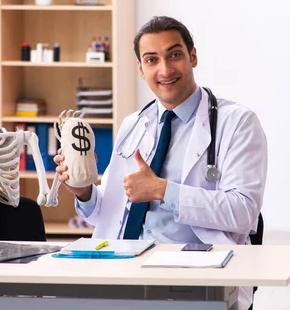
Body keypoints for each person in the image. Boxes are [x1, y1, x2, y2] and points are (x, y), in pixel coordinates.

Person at [54, 16, 267, 310]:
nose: (165, 70)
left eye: (174, 55)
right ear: (141, 69)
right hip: (123, 268)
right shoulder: (133, 124)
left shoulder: (238, 123)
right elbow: (111, 214)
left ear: (193, 56)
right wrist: (84, 190)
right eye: (152, 60)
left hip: (193, 273)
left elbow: (244, 213)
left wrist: (163, 190)